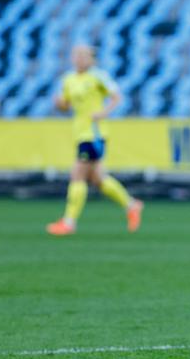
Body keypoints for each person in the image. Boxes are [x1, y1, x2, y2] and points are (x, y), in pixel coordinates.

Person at [47, 44, 143, 236]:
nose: (79, 58)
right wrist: (60, 104)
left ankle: (69, 222)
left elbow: (116, 97)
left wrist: (103, 112)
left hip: (94, 134)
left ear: (92, 59)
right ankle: (132, 205)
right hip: (80, 132)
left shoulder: (98, 76)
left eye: (83, 55)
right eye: (76, 55)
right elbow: (66, 105)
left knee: (77, 175)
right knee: (98, 180)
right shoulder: (68, 79)